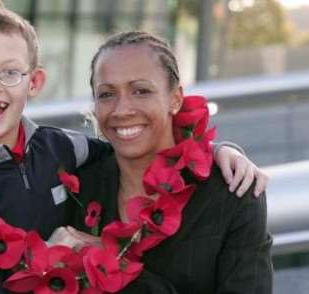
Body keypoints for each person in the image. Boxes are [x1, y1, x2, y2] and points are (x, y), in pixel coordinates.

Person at [0, 1, 268, 293]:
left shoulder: (63, 153)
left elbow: (149, 144)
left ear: (34, 82)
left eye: (10, 72)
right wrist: (55, 262)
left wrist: (219, 150)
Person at [57, 31, 273, 293]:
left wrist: (112, 263)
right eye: (106, 94)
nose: (122, 110)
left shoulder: (232, 193)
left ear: (176, 99)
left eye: (141, 91)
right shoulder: (80, 187)